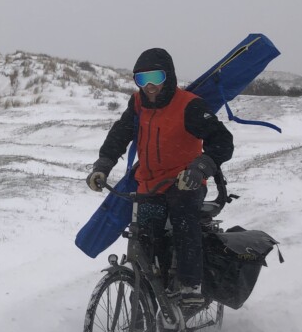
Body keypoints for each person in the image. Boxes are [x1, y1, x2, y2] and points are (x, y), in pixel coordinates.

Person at [86, 48, 234, 309]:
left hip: (185, 182)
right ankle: (145, 302)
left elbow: (222, 141)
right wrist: (103, 165)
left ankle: (191, 284)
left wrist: (199, 168)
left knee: (182, 219)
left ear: (170, 76)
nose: (150, 86)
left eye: (156, 77)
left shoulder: (189, 105)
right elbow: (120, 134)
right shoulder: (138, 104)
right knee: (145, 238)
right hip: (149, 184)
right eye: (142, 80)